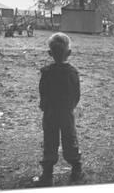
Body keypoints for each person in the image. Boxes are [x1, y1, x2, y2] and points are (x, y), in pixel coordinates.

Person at [37, 32, 83, 186]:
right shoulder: (72, 72)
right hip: (66, 113)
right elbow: (77, 94)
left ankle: (47, 174)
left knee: (50, 141)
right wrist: (70, 107)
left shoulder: (46, 72)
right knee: (70, 139)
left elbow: (42, 92)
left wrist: (44, 106)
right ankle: (76, 169)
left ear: (50, 53)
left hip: (50, 113)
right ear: (69, 53)